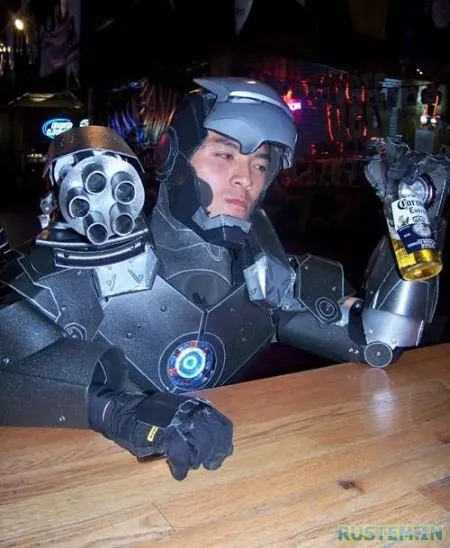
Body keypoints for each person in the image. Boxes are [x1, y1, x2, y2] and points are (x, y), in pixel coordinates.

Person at [0, 77, 447, 481]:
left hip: (219, 480)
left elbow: (381, 339)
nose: (244, 179)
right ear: (174, 156)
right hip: (78, 476)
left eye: (259, 164)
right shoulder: (90, 259)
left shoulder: (264, 276)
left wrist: (413, 222)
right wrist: (113, 410)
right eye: (225, 154)